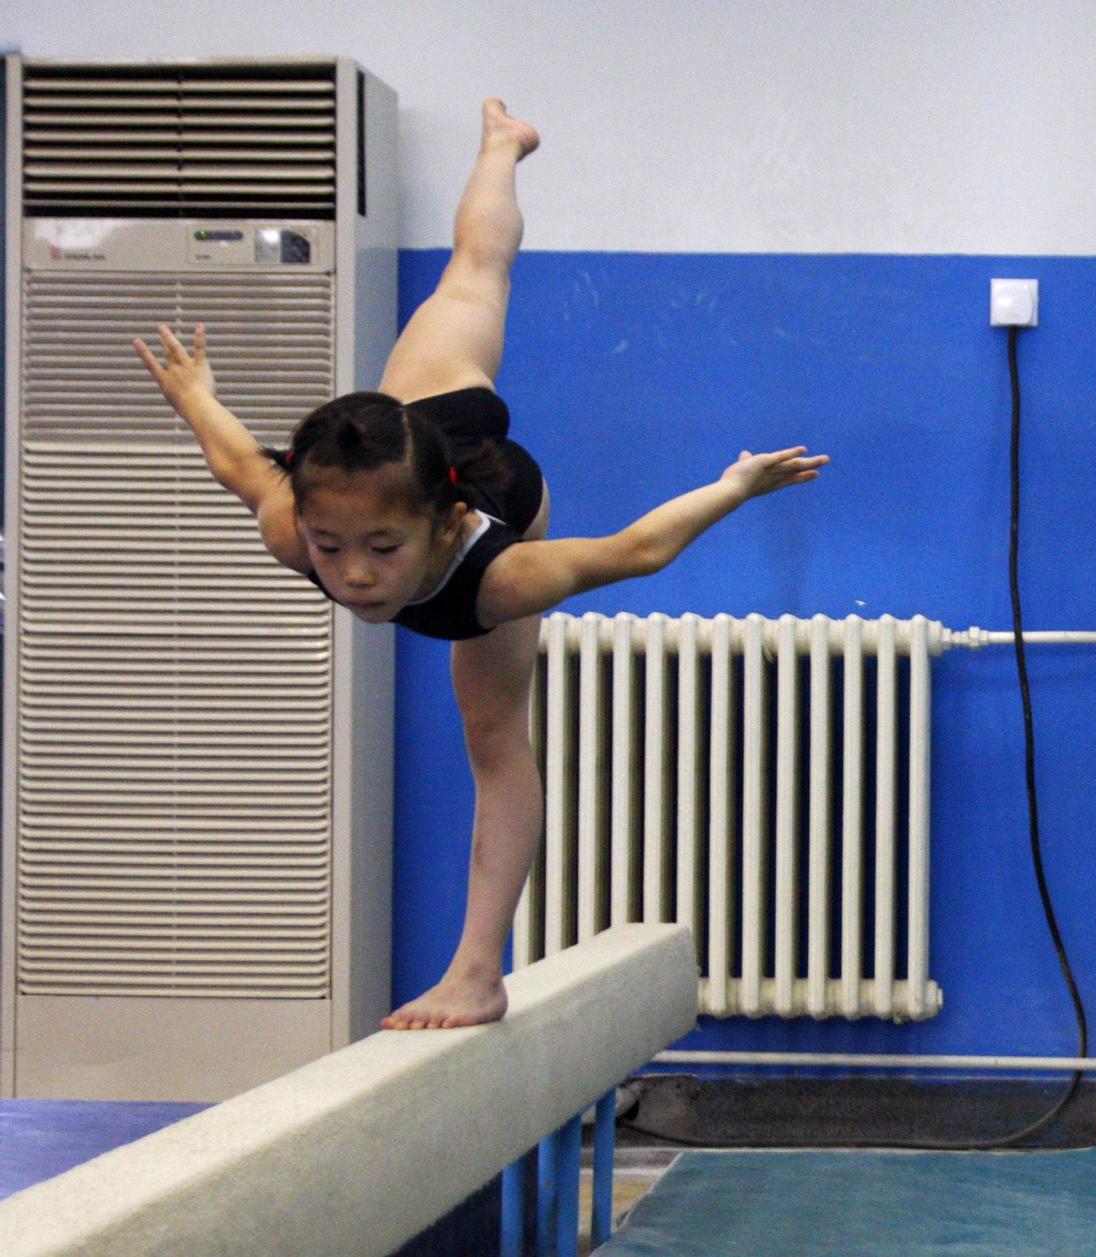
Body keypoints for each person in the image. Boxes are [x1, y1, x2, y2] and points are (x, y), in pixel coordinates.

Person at [135, 98, 827, 1028]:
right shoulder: (296, 523)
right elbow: (237, 460)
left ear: (441, 520)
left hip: (475, 467)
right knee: (462, 286)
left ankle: (476, 968)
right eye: (332, 549)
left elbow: (639, 549)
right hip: (395, 447)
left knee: (494, 733)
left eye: (380, 551)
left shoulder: (498, 574)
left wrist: (736, 485)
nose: (353, 575)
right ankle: (505, 141)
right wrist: (195, 396)